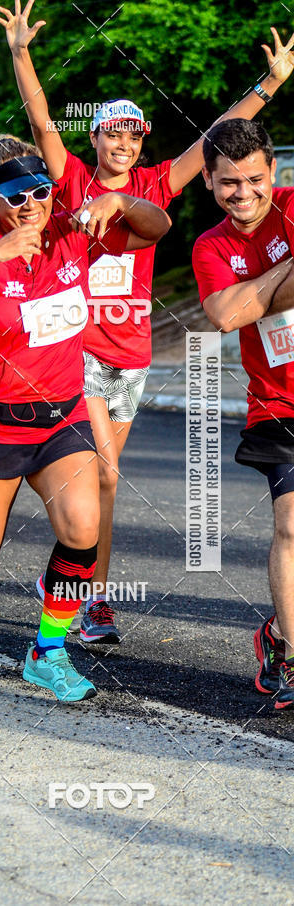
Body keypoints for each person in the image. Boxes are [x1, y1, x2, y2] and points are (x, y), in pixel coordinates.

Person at [0, 1, 294, 643]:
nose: (123, 142)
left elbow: (217, 138)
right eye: (112, 132)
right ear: (96, 138)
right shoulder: (71, 180)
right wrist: (21, 53)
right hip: (78, 350)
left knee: (105, 483)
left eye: (133, 134)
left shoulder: (157, 186)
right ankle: (85, 594)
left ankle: (82, 589)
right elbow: (43, 121)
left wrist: (269, 85)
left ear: (141, 140)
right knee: (99, 471)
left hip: (130, 355)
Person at [0, 135, 170, 699]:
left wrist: (122, 203)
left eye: (41, 191)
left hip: (61, 414)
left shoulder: (70, 233)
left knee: (82, 531)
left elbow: (157, 229)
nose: (31, 203)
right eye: (17, 196)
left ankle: (47, 651)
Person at [192, 119, 294, 710]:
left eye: (255, 179)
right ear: (208, 180)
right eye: (229, 182)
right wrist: (283, 271)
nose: (244, 193)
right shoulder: (211, 247)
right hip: (279, 406)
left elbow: (242, 302)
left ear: (273, 172)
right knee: (291, 526)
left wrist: (254, 290)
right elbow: (226, 316)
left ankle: (277, 633)